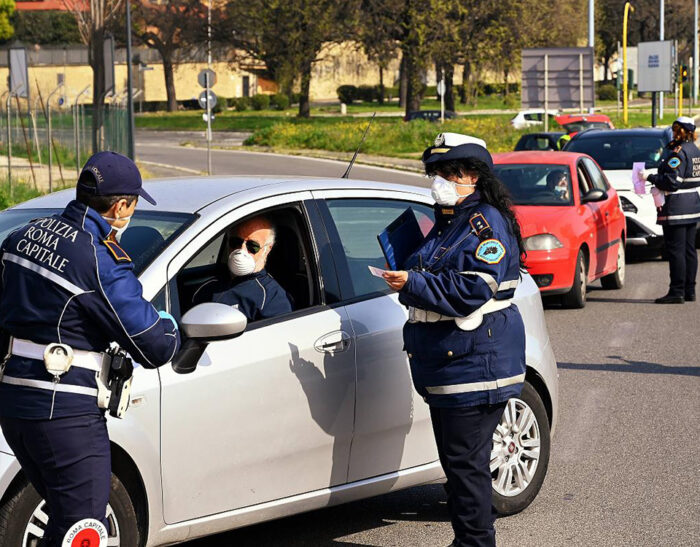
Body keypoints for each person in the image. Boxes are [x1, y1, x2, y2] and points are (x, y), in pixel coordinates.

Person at [0, 151, 180, 546]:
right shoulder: (99, 259)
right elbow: (154, 345)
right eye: (131, 205)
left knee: (65, 518)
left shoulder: (22, 236)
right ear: (120, 206)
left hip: (14, 402)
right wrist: (170, 324)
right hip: (65, 411)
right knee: (84, 529)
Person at [382, 132, 526, 547]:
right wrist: (407, 271)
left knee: (467, 468)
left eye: (449, 173)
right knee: (459, 466)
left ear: (473, 176)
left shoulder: (484, 223)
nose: (439, 180)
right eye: (435, 172)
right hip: (446, 365)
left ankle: (475, 543)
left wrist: (412, 281)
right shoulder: (449, 221)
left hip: (474, 364)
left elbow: (472, 292)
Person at [641, 116, 700, 303]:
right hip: (692, 204)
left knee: (676, 251)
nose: (674, 133)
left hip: (677, 206)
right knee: (689, 250)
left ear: (681, 131)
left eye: (676, 130)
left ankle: (677, 291)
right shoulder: (695, 150)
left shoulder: (678, 153)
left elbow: (672, 182)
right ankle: (689, 290)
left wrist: (649, 177)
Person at [193, 216, 292, 321]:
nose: (241, 250)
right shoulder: (207, 288)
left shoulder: (272, 298)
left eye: (252, 246)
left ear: (267, 249)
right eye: (236, 242)